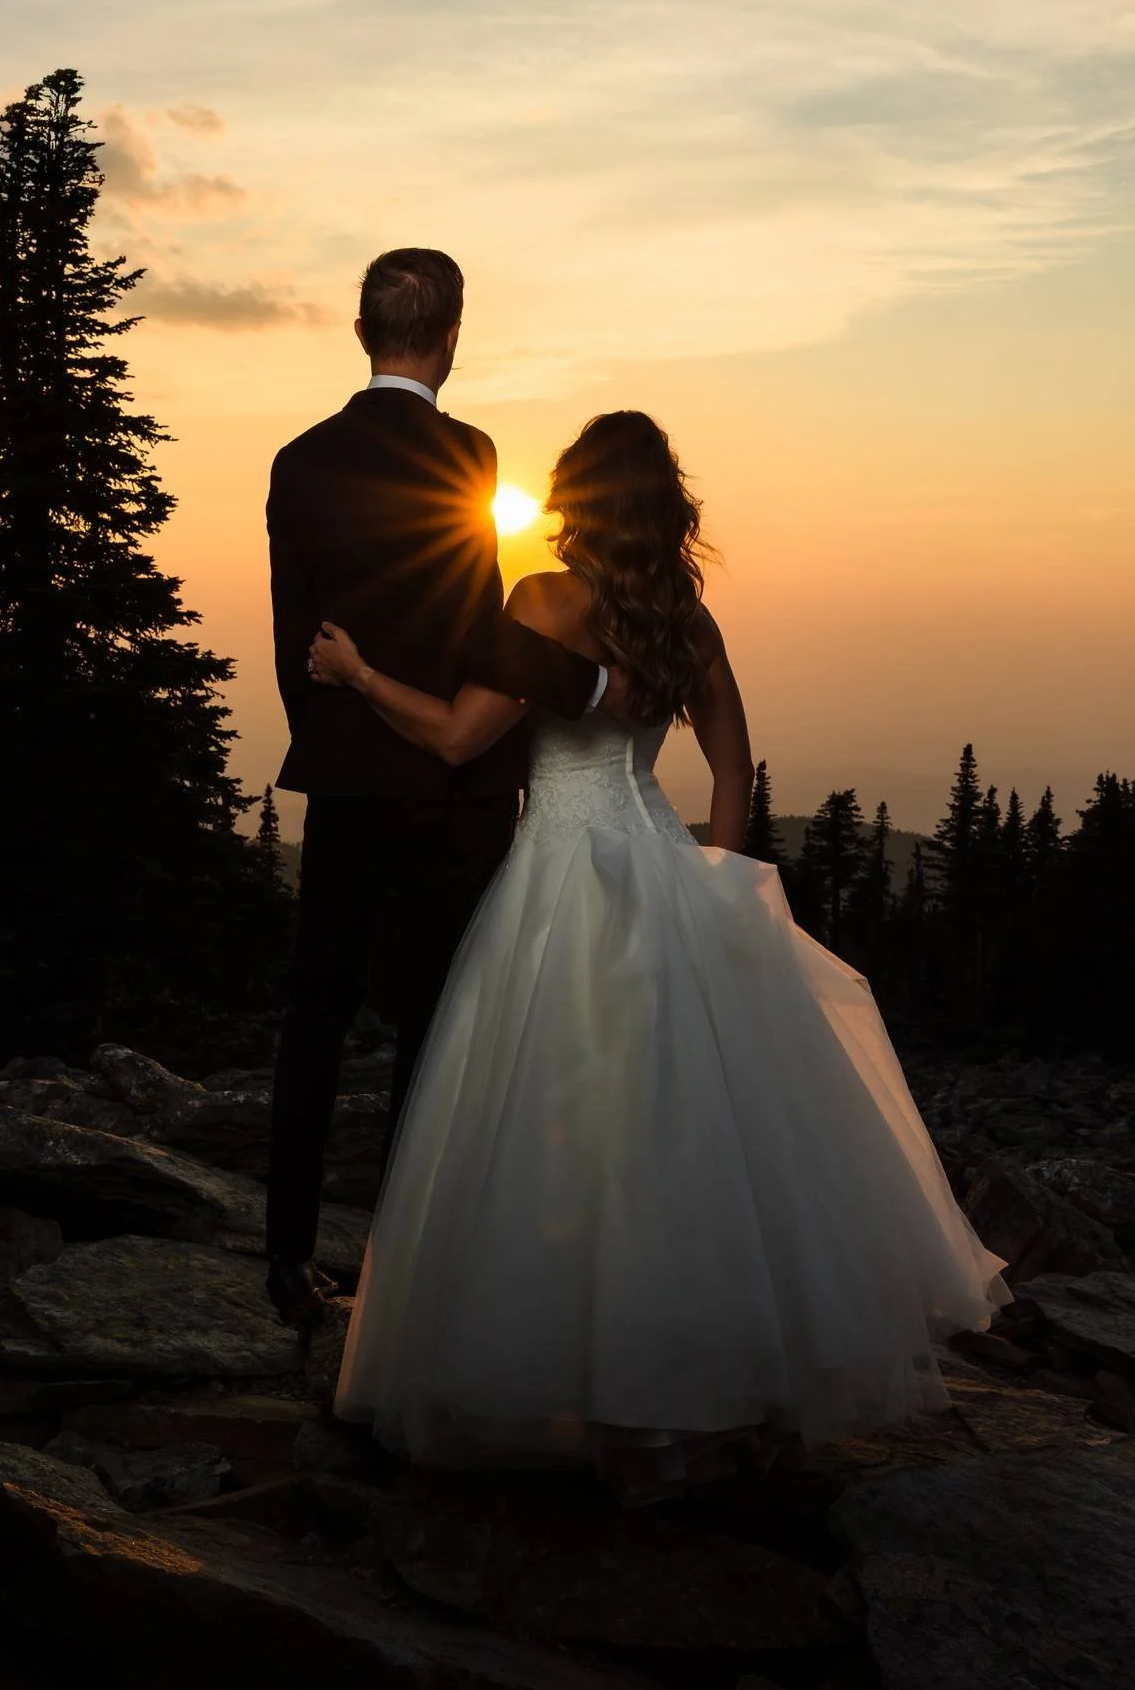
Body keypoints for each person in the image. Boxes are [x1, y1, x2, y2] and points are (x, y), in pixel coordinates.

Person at [310, 409, 1010, 1502]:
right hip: (662, 864)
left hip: (557, 878)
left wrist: (356, 675)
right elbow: (732, 770)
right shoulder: (685, 616)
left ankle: (578, 1386)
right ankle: (701, 1394)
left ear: (575, 496)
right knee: (682, 1134)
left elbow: (455, 737)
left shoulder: (542, 597)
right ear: (663, 505)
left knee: (564, 1124)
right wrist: (718, 882)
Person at [264, 248, 620, 1330]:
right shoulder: (468, 453)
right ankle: (402, 1271)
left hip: (345, 774)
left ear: (360, 331)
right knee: (435, 1024)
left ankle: (285, 1263)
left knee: (316, 1011)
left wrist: (337, 725)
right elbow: (472, 625)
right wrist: (584, 684)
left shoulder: (299, 460)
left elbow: (294, 635)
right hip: (451, 786)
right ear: (453, 335)